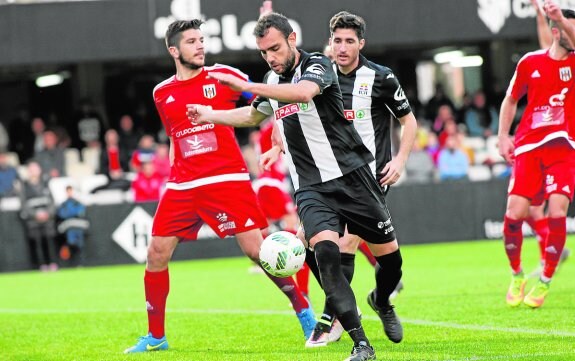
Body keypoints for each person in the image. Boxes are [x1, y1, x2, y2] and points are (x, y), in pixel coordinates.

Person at [188, 11, 416, 361]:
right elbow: (253, 115)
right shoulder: (271, 78)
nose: (271, 58)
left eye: (275, 49)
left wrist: (247, 86)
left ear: (292, 39)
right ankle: (361, 343)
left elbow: (303, 93)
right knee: (327, 256)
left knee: (392, 262)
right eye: (265, 53)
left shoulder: (318, 66)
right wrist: (210, 115)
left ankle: (381, 300)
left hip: (353, 178)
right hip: (312, 188)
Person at [124, 19, 315, 354]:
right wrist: (173, 173)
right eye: (192, 41)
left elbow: (266, 103)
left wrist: (274, 139)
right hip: (183, 184)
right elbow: (173, 135)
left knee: (258, 252)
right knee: (155, 254)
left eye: (202, 40)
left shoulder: (221, 75)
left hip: (226, 179)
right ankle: (156, 336)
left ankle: (304, 312)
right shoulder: (161, 93)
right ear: (174, 50)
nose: (200, 46)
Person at [276, 11, 417, 348]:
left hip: (369, 179)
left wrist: (400, 160)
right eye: (336, 40)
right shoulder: (317, 73)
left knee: (389, 264)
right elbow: (287, 110)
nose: (341, 47)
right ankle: (335, 319)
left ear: (361, 44)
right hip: (327, 179)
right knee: (329, 245)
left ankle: (379, 301)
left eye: (348, 41)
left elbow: (408, 121)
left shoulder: (380, 77)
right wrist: (275, 142)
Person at [499, 2, 575, 308]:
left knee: (557, 212)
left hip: (564, 147)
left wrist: (558, 15)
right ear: (555, 32)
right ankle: (517, 274)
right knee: (513, 215)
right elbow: (511, 98)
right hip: (529, 146)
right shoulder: (531, 62)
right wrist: (503, 136)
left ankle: (544, 280)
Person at [18, 161, 58, 271]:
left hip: (47, 220)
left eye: (35, 168)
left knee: (49, 240)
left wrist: (48, 213)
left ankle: (53, 263)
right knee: (36, 242)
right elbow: (23, 205)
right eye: (31, 169)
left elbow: (52, 202)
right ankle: (39, 265)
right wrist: (35, 214)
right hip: (33, 222)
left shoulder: (45, 184)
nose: (33, 171)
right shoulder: (24, 186)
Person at [56, 185, 89, 266]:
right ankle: (72, 263)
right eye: (68, 191)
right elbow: (62, 214)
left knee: (79, 244)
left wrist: (70, 214)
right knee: (71, 243)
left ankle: (80, 263)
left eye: (71, 191)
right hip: (68, 227)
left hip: (78, 226)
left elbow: (81, 213)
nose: (70, 193)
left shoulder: (78, 203)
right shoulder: (63, 204)